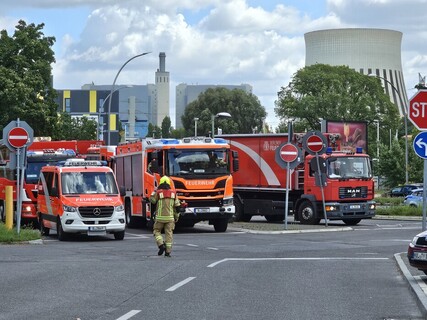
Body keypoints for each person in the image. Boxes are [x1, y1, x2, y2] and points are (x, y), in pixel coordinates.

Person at [149, 176, 181, 257]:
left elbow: (152, 201)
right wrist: (176, 217)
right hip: (170, 218)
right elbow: (177, 207)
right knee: (169, 234)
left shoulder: (158, 192)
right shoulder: (173, 193)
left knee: (156, 231)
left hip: (159, 218)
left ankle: (161, 245)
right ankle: (168, 252)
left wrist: (152, 194)